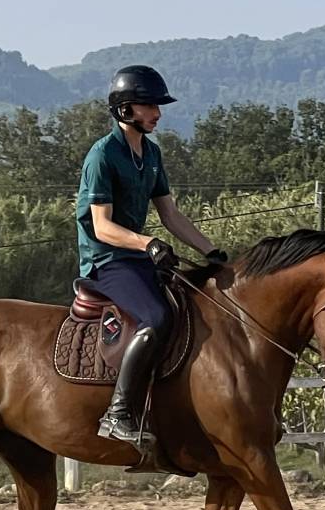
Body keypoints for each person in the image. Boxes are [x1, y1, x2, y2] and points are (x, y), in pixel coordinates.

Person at [75, 65, 228, 450]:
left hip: (140, 257)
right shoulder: (102, 155)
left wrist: (210, 250)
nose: (157, 113)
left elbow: (171, 215)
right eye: (149, 106)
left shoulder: (152, 153)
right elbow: (102, 227)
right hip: (106, 261)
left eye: (158, 106)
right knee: (157, 316)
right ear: (125, 109)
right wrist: (147, 244)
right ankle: (119, 413)